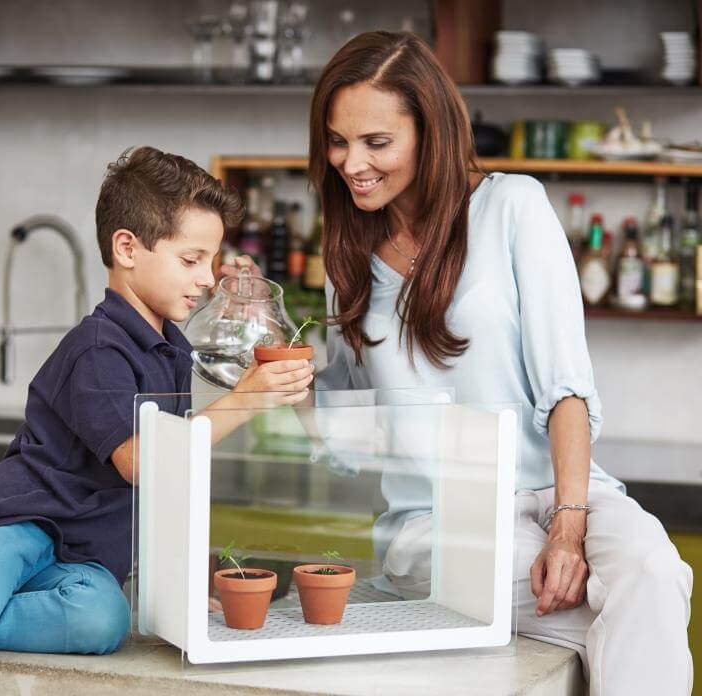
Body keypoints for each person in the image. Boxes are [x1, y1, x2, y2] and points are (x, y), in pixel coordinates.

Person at [221, 32, 692, 696]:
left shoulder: (511, 208)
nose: (350, 162)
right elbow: (349, 434)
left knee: (653, 567)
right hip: (436, 522)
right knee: (631, 606)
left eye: (376, 143)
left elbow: (567, 387)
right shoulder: (349, 260)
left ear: (430, 132)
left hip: (562, 492)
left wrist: (569, 522)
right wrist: (265, 333)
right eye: (336, 140)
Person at [0, 146, 314, 695]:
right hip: (11, 525)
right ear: (127, 248)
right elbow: (142, 462)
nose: (206, 278)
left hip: (80, 559)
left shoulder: (169, 348)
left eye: (212, 261)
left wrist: (185, 581)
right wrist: (245, 400)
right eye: (191, 260)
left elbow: (175, 467)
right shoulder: (97, 347)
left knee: (102, 622)